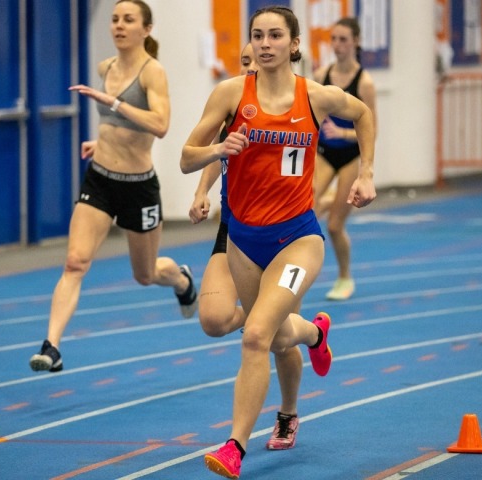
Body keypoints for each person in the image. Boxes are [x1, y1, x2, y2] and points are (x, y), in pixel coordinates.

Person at [180, 6, 376, 478]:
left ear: (293, 45)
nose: (264, 43)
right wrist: (217, 151)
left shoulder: (316, 97)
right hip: (243, 241)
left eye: (274, 36)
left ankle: (233, 447)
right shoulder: (230, 94)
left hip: (297, 238)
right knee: (277, 334)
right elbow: (187, 158)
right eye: (257, 35)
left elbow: (364, 113)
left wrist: (366, 171)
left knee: (254, 336)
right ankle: (314, 332)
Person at [29, 0, 197, 373]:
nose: (119, 26)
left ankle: (182, 280)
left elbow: (160, 124)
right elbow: (112, 124)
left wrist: (114, 103)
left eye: (129, 20)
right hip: (101, 179)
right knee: (75, 261)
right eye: (115, 19)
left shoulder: (153, 73)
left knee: (146, 273)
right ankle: (52, 346)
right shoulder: (105, 68)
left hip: (138, 187)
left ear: (146, 29)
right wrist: (100, 140)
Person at [188, 42, 304, 451]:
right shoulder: (231, 101)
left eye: (259, 58)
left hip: (284, 235)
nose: (253, 66)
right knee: (215, 320)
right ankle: (314, 332)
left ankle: (287, 413)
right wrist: (202, 192)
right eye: (244, 61)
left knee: (273, 338)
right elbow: (217, 156)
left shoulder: (292, 107)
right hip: (234, 231)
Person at [312, 17, 377, 300]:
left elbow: (372, 130)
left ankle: (344, 277)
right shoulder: (321, 74)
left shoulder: (365, 82)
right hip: (325, 154)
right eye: (334, 39)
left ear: (356, 42)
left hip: (351, 157)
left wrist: (342, 131)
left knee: (335, 225)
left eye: (343, 39)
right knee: (306, 210)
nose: (337, 45)